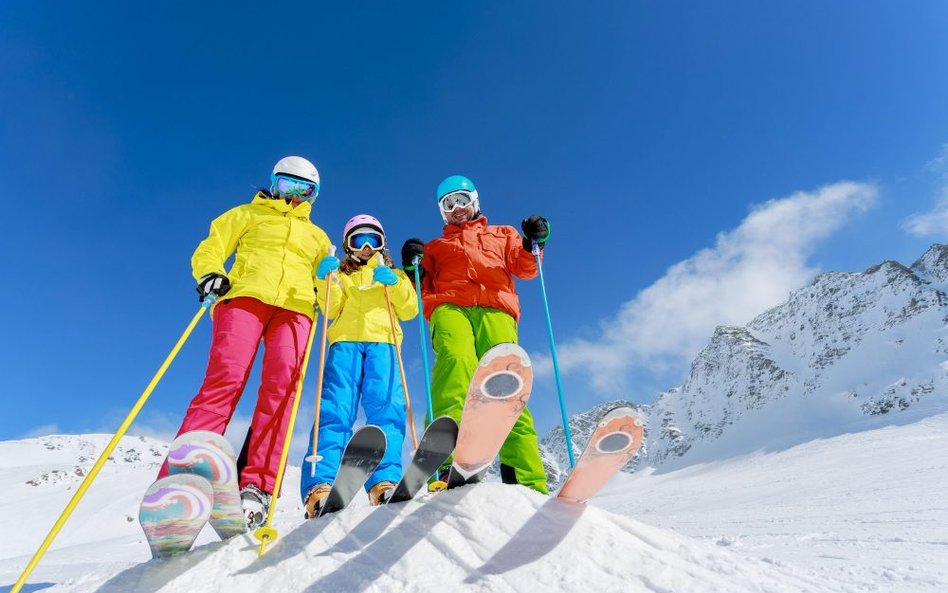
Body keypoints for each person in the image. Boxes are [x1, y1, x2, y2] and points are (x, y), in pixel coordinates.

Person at [157, 156, 331, 530]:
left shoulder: (318, 237)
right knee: (225, 377)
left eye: (306, 191)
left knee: (283, 390)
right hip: (245, 298)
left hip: (297, 310)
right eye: (288, 186)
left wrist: (329, 282)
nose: (296, 196)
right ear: (273, 183)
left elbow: (329, 282)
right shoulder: (244, 215)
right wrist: (210, 273)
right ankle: (181, 479)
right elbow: (211, 248)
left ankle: (258, 485)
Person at [400, 175, 551, 494]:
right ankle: (444, 463)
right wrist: (413, 265)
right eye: (448, 204)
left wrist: (532, 241)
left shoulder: (503, 234)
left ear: (475, 201)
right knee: (456, 362)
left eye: (461, 200)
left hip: (496, 307)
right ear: (442, 212)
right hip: (449, 306)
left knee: (506, 383)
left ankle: (527, 481)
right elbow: (418, 285)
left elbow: (526, 268)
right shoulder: (436, 247)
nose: (456, 209)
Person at [300, 214, 419, 517]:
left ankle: (385, 480)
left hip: (384, 343)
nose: (366, 247)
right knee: (335, 409)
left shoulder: (391, 273)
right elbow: (331, 307)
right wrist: (323, 279)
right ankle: (321, 484)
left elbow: (409, 309)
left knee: (387, 409)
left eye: (373, 240)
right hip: (346, 343)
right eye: (358, 240)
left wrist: (393, 283)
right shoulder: (342, 274)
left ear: (382, 244)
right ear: (347, 245)